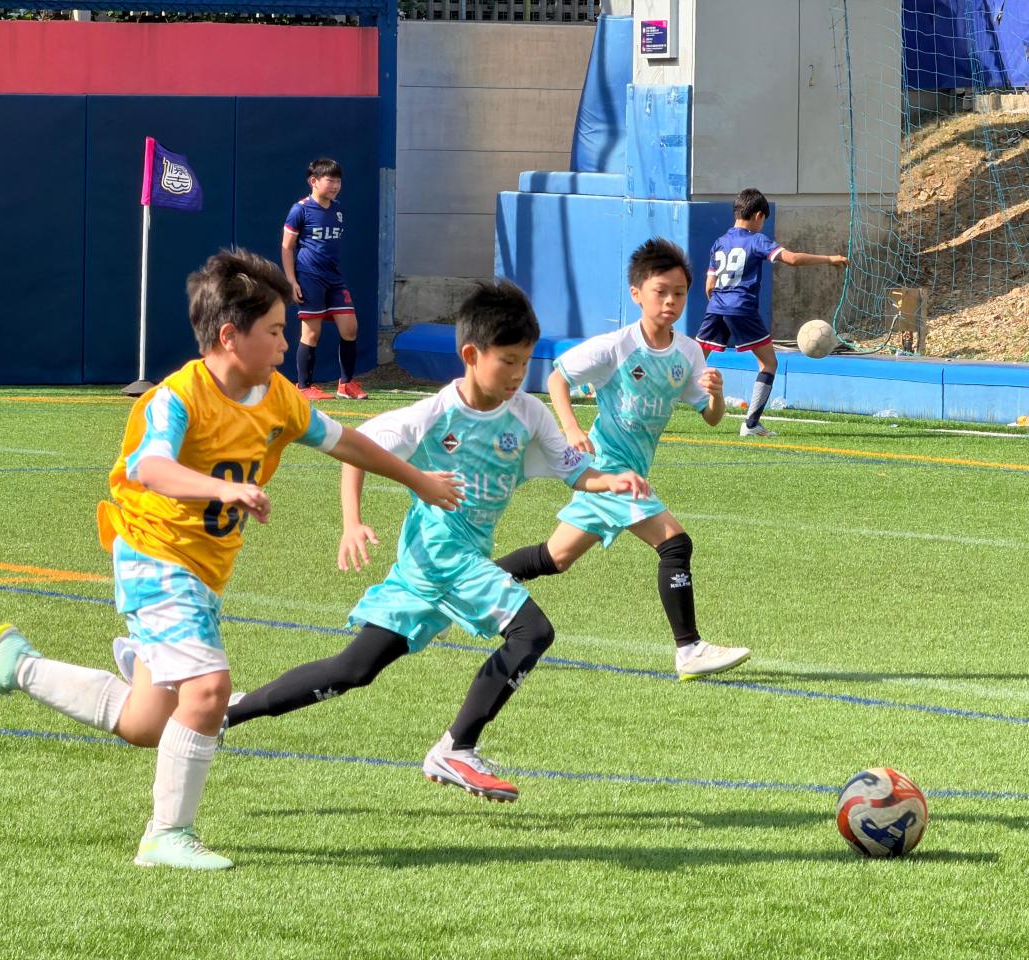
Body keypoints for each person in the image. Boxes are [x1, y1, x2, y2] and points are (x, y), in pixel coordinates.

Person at [0, 248, 463, 870]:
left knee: (146, 723)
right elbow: (151, 468)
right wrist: (223, 489)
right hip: (153, 554)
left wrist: (417, 480)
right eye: (274, 331)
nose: (286, 344)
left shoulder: (278, 397)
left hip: (202, 570)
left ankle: (17, 666)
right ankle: (166, 836)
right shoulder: (176, 399)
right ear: (229, 336)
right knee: (210, 690)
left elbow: (344, 441)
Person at [223, 279, 650, 803]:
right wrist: (352, 522)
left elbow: (574, 471)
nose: (518, 374)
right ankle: (457, 747)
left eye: (525, 362)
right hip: (442, 557)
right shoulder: (434, 416)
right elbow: (356, 449)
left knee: (353, 670)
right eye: (507, 361)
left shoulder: (529, 414)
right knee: (532, 632)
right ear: (471, 355)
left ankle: (229, 712)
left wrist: (610, 480)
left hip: (433, 568)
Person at [495, 238, 751, 681]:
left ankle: (472, 582)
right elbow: (557, 377)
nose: (670, 301)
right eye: (660, 291)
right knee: (675, 543)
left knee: (555, 558)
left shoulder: (688, 353)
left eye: (679, 293)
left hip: (620, 474)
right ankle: (689, 649)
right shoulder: (616, 346)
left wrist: (716, 395)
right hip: (609, 470)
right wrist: (571, 429)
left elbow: (711, 418)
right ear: (637, 294)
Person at [696, 187, 849, 436]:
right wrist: (830, 259)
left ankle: (656, 405)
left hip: (716, 307)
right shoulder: (757, 240)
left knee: (693, 360)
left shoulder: (720, 243)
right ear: (758, 215)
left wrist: (720, 306)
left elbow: (709, 286)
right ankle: (751, 425)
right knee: (768, 363)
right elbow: (792, 259)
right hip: (742, 308)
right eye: (763, 220)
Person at [282, 157, 367, 402]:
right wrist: (292, 281)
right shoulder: (300, 210)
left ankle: (346, 384)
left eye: (338, 181)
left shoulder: (338, 210)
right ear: (314, 181)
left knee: (350, 328)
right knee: (311, 333)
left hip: (334, 278)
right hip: (309, 278)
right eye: (330, 180)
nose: (335, 185)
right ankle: (304, 386)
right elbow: (287, 247)